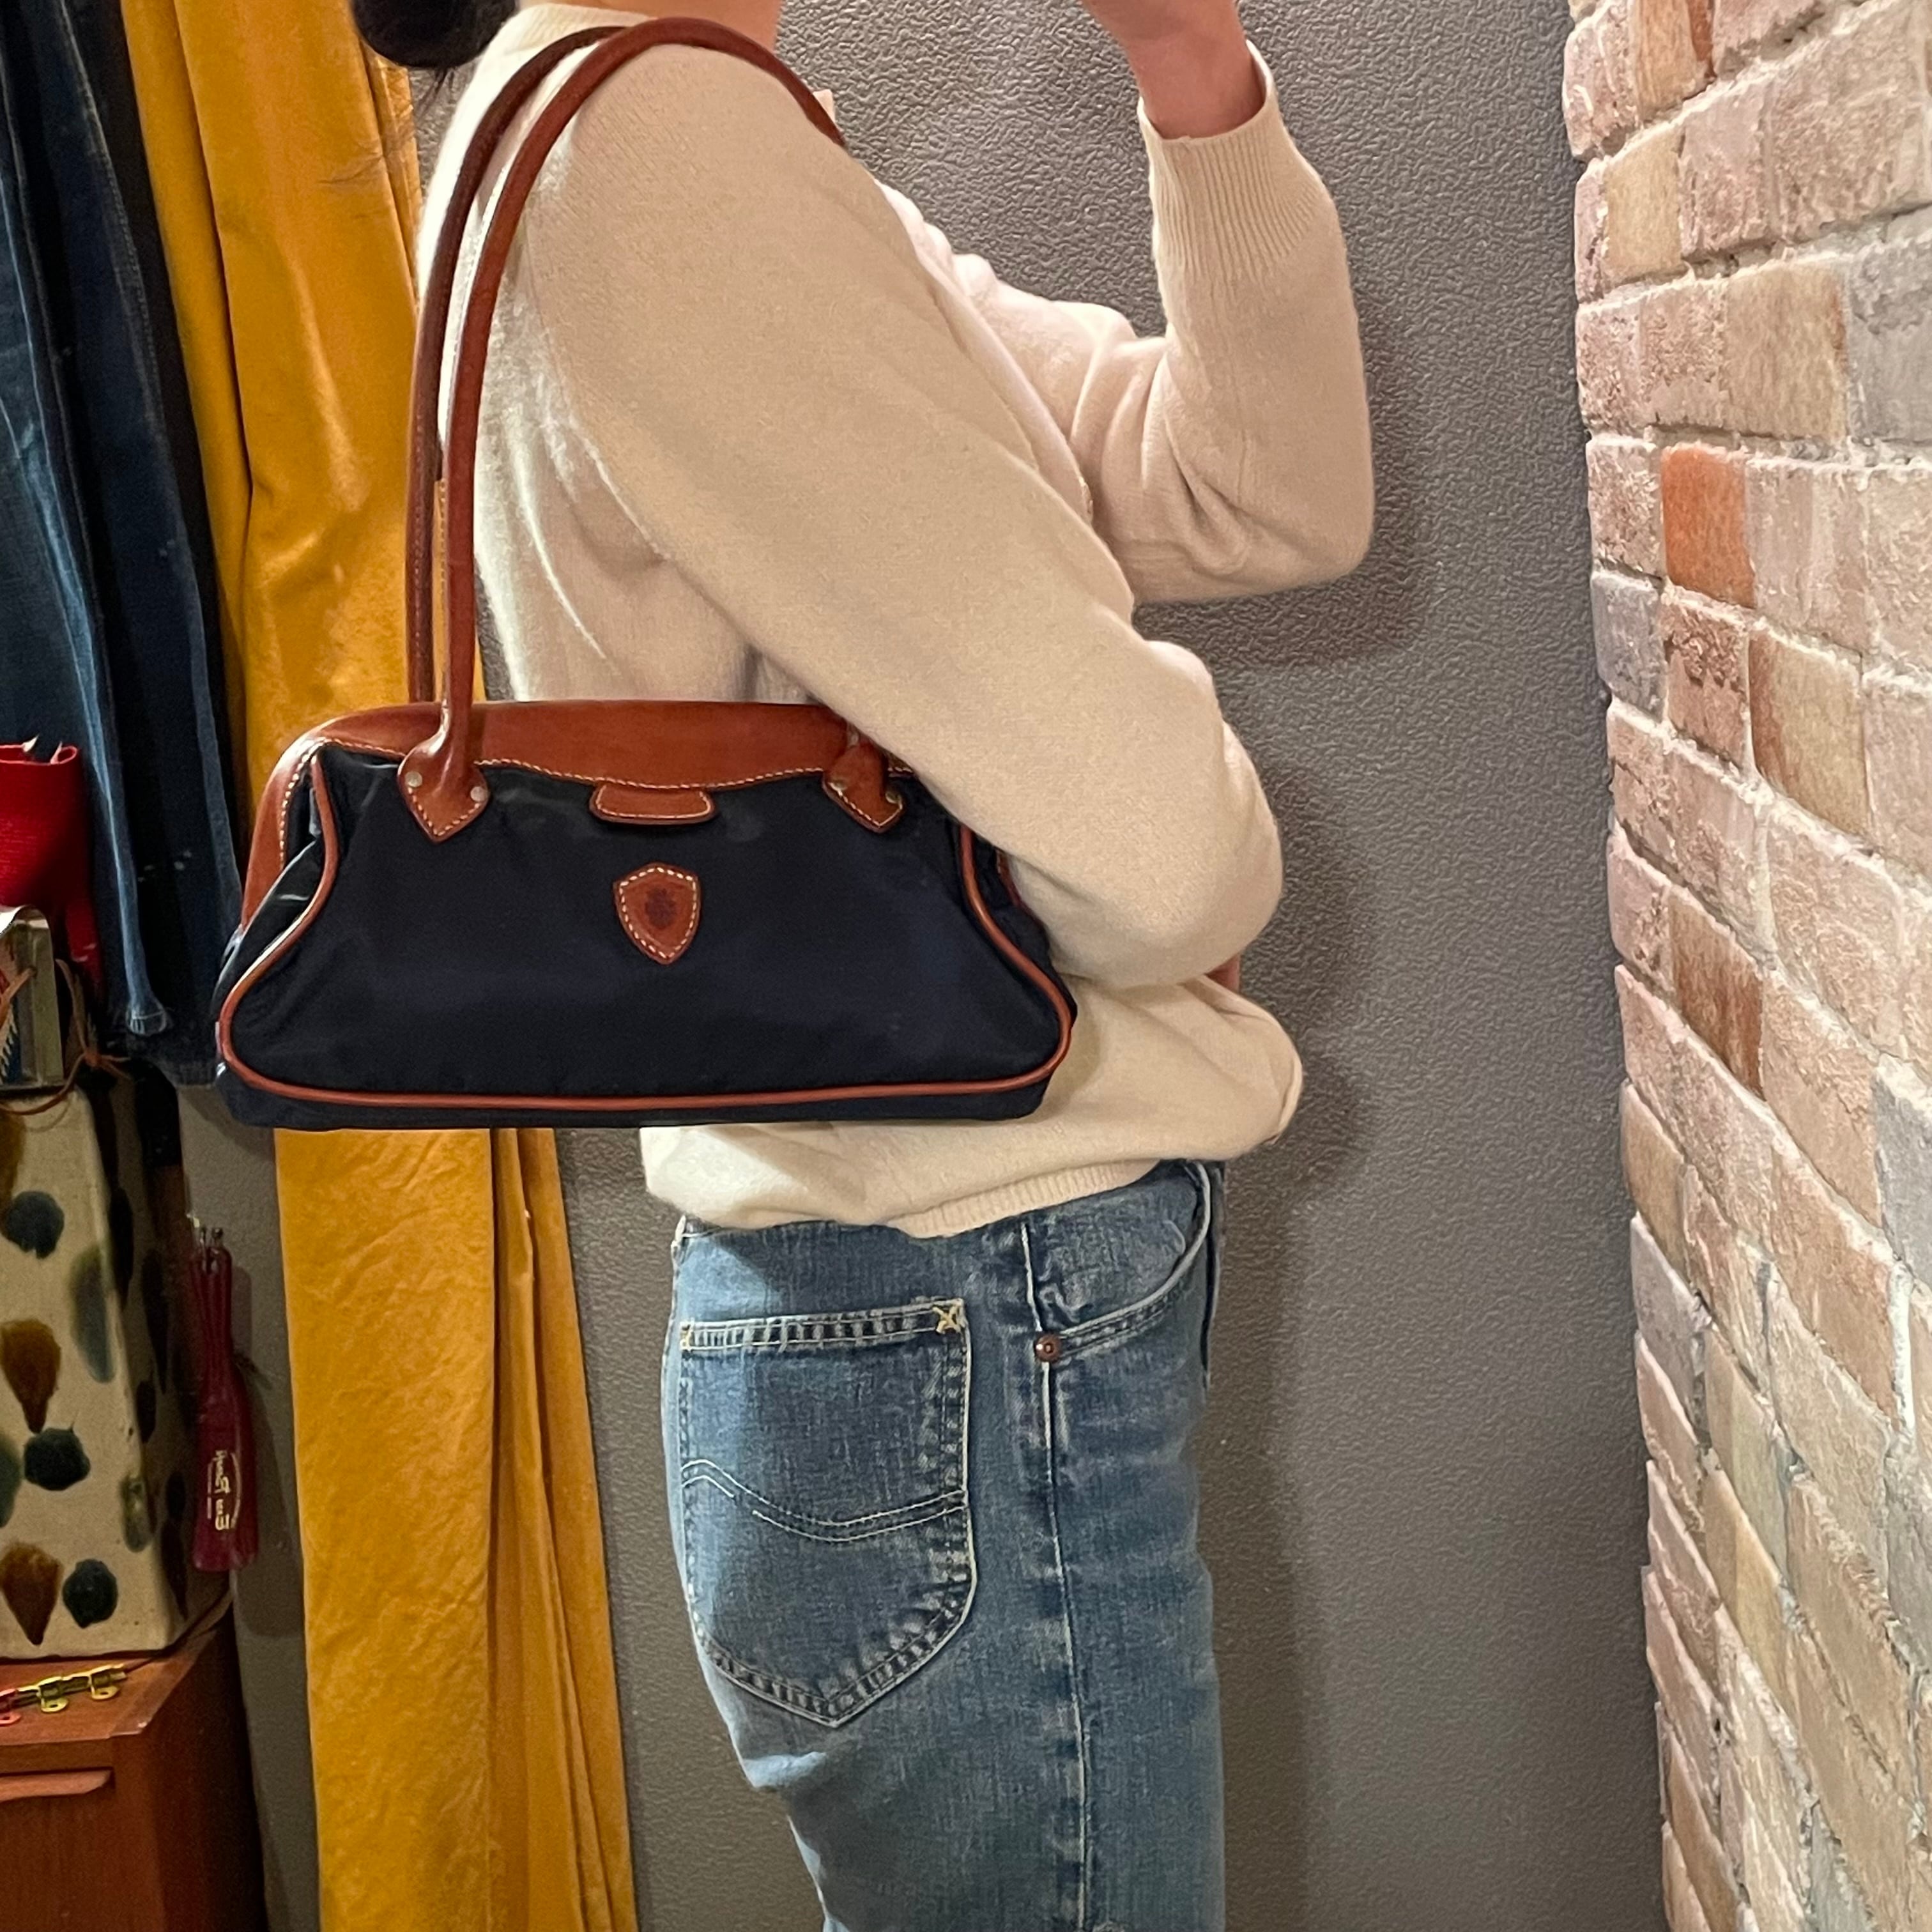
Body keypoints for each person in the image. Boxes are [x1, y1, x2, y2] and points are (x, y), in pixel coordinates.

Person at [352, 0, 1372, 1923]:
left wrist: (1189, 61)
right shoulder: (656, 141)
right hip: (964, 1310)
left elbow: (1262, 490)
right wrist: (1183, 910)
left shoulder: (657, 112)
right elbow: (1158, 853)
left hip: (907, 1318)